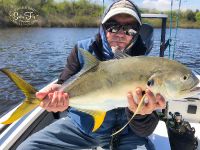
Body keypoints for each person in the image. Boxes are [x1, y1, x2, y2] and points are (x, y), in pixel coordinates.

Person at [17, 0, 166, 150]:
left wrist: (141, 115)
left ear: (137, 33)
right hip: (82, 129)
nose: (120, 34)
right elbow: (63, 83)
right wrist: (58, 98)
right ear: (103, 27)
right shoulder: (82, 49)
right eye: (112, 26)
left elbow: (145, 130)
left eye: (130, 29)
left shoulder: (144, 63)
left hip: (127, 133)